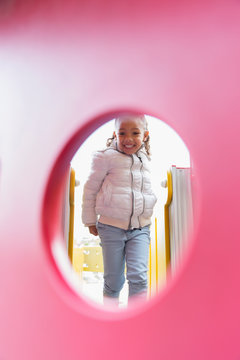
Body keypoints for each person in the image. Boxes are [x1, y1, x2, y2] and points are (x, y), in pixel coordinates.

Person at [81, 114, 157, 306]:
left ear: (145, 135)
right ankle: (110, 315)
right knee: (114, 280)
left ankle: (137, 324)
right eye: (122, 133)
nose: (128, 138)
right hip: (111, 227)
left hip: (140, 229)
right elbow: (90, 189)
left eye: (135, 133)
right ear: (115, 134)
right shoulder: (105, 157)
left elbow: (144, 191)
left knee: (139, 277)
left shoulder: (144, 160)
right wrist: (90, 220)